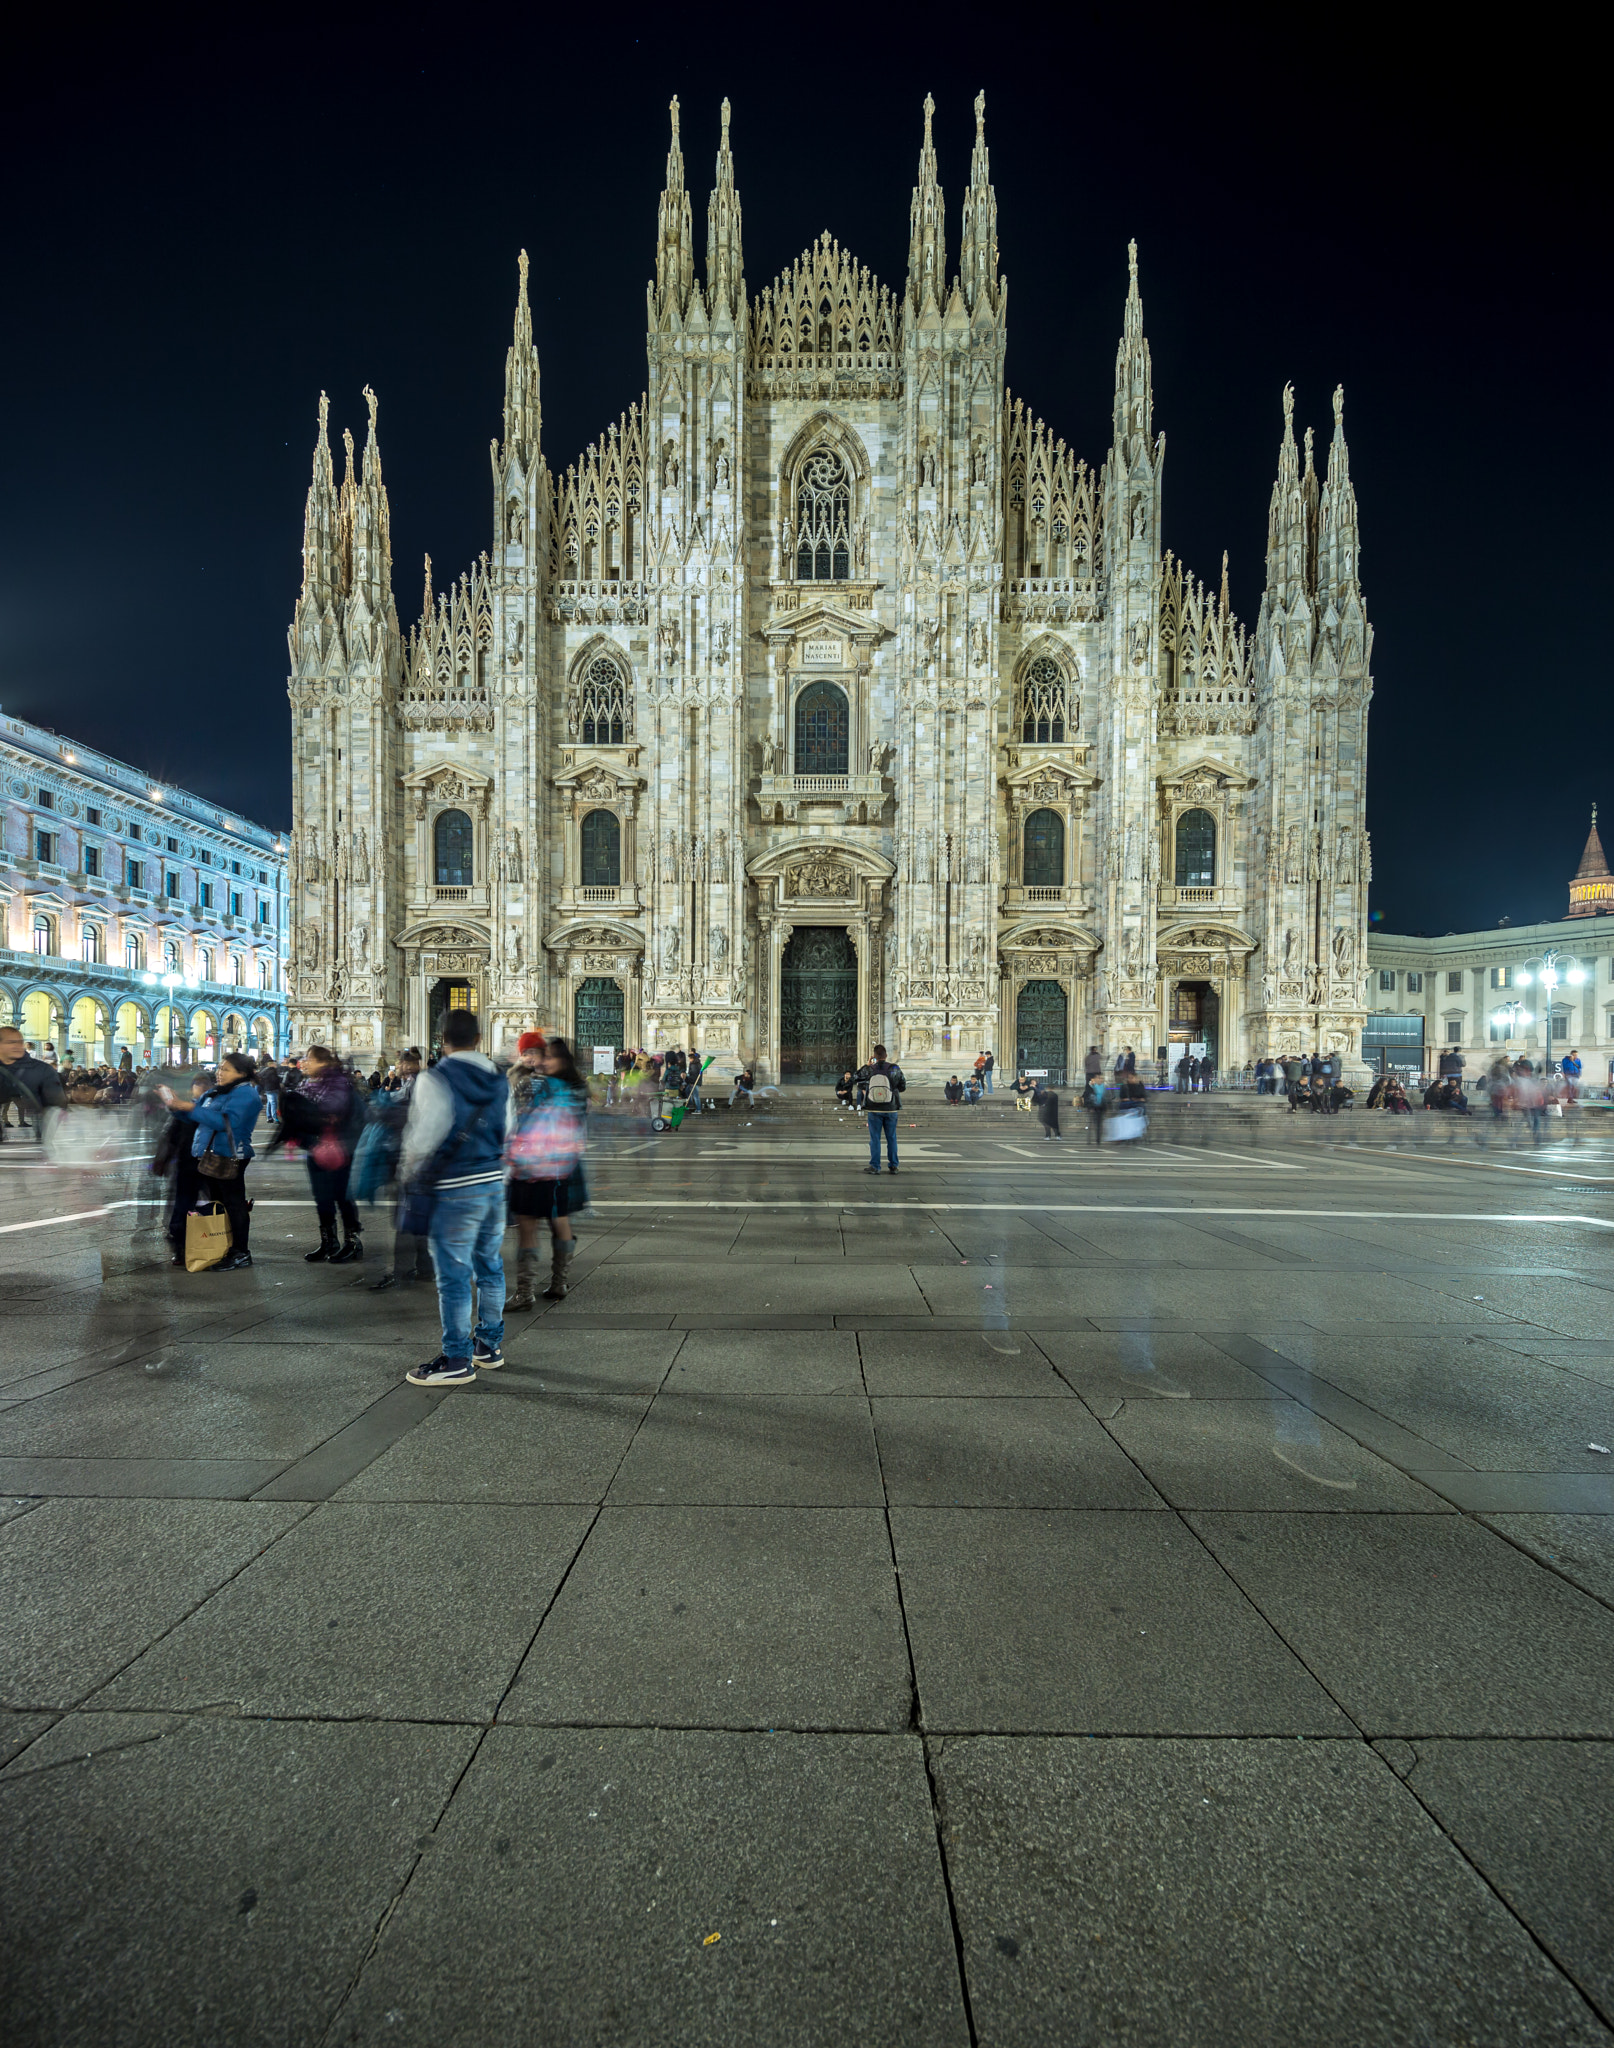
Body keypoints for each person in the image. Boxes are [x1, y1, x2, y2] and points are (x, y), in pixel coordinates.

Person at [402, 1007, 510, 1386]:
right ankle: (489, 1346)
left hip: (453, 1187)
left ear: (442, 1040)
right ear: (480, 1040)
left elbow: (425, 1136)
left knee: (453, 1275)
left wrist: (408, 1169)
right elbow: (507, 1129)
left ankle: (456, 1359)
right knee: (489, 1265)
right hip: (493, 1182)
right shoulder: (500, 1078)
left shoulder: (435, 1077)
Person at [506, 1033, 588, 1308]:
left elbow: (512, 1117)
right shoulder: (572, 1088)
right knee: (559, 1220)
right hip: (561, 1166)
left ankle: (525, 1291)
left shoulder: (529, 1083)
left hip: (530, 1166)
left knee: (528, 1227)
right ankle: (559, 1281)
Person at [272, 1046, 368, 1263]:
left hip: (341, 1151)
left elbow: (359, 1120)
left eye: (309, 1058)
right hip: (316, 1150)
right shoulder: (305, 1086)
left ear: (323, 1063)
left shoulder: (342, 1087)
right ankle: (329, 1242)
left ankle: (352, 1243)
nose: (303, 1062)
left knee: (343, 1197)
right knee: (322, 1198)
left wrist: (344, 1142)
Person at [170, 1052, 261, 1269]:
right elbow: (197, 1114)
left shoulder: (246, 1094)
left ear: (242, 1073)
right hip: (208, 1156)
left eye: (226, 1069)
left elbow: (227, 1122)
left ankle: (241, 1252)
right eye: (219, 1068)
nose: (219, 1073)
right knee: (218, 1204)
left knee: (234, 1204)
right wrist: (176, 1106)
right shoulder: (216, 1092)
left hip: (230, 1156)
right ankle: (222, 1245)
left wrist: (191, 1108)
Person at [367, 1050, 433, 1293]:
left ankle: (402, 1272)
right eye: (402, 1062)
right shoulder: (409, 1083)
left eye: (409, 1063)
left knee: (405, 1218)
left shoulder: (419, 1086)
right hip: (413, 1157)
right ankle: (426, 1267)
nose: (404, 1067)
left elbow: (411, 1116)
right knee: (415, 1216)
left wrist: (384, 1111)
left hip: (410, 1157)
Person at [152, 1074, 209, 1265]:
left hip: (211, 1164)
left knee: (209, 1204)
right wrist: (163, 1159)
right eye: (197, 1084)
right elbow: (171, 1134)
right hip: (187, 1163)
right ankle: (180, 1244)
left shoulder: (212, 1109)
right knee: (182, 1204)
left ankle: (209, 1239)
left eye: (204, 1084)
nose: (200, 1087)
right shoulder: (185, 1109)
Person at [0, 1025, 66, 1142]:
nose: (17, 1046)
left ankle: (40, 1132)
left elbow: (55, 1099)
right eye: (11, 1042)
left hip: (33, 1103)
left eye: (20, 1042)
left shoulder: (41, 1069)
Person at [857, 1043, 905, 1173]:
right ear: (886, 1055)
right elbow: (902, 1087)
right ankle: (894, 1165)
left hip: (874, 1108)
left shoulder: (870, 1069)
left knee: (875, 1139)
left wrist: (867, 1065)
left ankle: (875, 1166)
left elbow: (857, 1078)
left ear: (874, 1056)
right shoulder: (894, 1068)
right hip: (891, 1108)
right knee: (892, 1138)